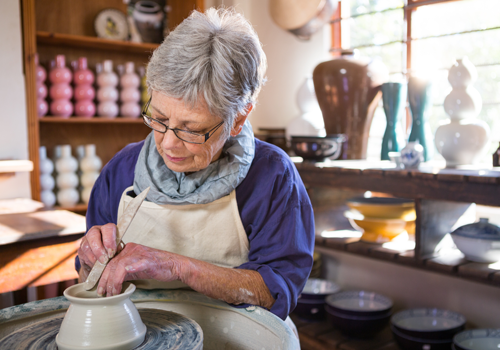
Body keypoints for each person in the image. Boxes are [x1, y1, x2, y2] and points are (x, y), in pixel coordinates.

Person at [76, 7, 315, 322]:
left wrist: (177, 267)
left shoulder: (272, 176)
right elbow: (88, 282)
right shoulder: (121, 171)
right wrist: (91, 261)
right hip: (138, 331)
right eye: (159, 119)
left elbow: (275, 290)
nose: (169, 143)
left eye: (191, 129)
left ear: (238, 119)